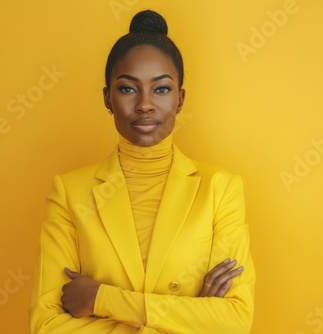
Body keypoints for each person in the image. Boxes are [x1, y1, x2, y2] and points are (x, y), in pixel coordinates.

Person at [29, 9, 255, 334]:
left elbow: (235, 322)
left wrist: (101, 298)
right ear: (107, 98)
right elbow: (46, 325)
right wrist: (190, 316)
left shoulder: (220, 188)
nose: (145, 104)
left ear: (180, 99)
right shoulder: (69, 192)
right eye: (127, 88)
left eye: (161, 89)